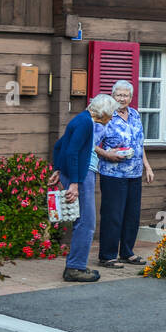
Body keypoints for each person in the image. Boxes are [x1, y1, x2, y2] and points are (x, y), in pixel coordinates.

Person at [52, 93, 119, 282]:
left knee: (81, 221)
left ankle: (76, 264)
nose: (112, 117)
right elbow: (72, 152)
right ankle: (75, 268)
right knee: (86, 223)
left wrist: (57, 169)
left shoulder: (80, 119)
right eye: (111, 113)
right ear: (103, 113)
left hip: (78, 173)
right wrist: (73, 183)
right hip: (82, 175)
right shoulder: (86, 123)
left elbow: (59, 146)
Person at [94, 79, 154, 268]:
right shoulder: (106, 116)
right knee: (113, 214)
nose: (122, 98)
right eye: (119, 95)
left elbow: (139, 143)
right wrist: (107, 154)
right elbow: (91, 142)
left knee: (132, 215)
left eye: (126, 95)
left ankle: (127, 252)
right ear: (113, 96)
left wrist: (147, 166)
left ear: (131, 97)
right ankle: (107, 255)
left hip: (134, 174)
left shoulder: (135, 115)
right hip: (113, 174)